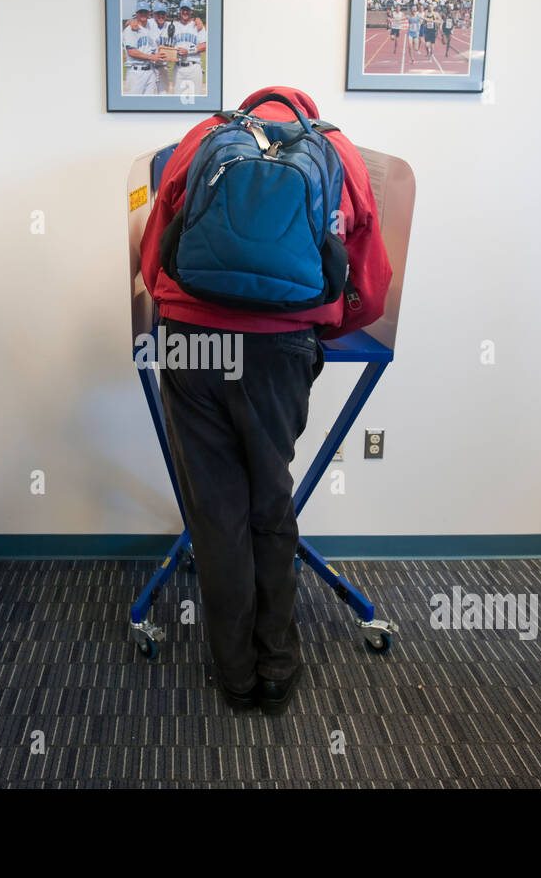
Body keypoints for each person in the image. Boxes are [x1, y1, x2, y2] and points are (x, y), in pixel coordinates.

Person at [139, 85, 392, 714]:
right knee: (269, 500)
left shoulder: (200, 139)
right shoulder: (337, 149)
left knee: (215, 511)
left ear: (249, 107)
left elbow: (154, 261)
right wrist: (313, 329)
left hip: (192, 344)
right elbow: (369, 282)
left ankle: (235, 672)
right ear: (303, 111)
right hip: (279, 351)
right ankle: (277, 664)